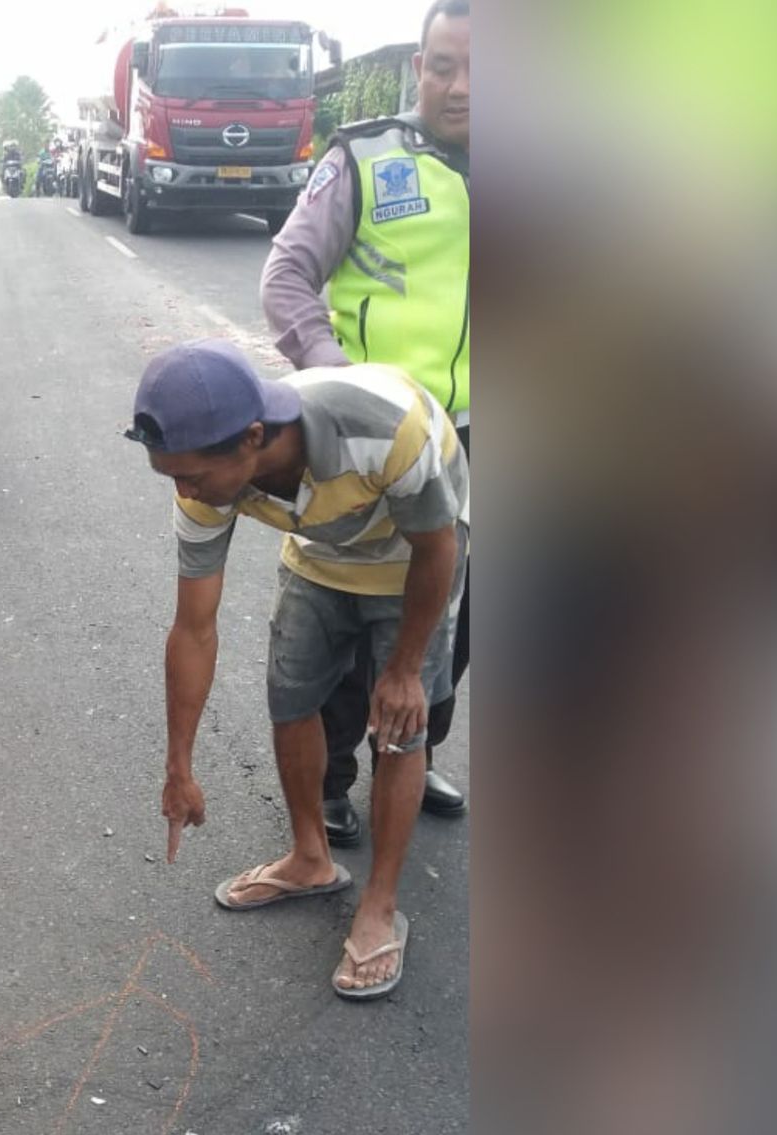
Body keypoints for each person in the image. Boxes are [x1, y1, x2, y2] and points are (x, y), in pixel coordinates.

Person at [129, 340, 467, 999]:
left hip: (414, 558)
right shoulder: (205, 481)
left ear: (253, 438)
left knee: (400, 723)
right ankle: (310, 859)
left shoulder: (384, 428)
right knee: (292, 697)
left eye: (191, 476)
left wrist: (402, 671)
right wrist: (179, 768)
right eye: (170, 476)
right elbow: (194, 627)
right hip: (321, 552)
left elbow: (439, 546)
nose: (184, 492)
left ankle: (379, 905)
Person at [259, 0, 470, 845]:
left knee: (453, 614)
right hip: (379, 442)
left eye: (478, 68)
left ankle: (409, 754)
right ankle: (338, 776)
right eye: (442, 65)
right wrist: (343, 384)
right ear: (417, 66)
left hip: (480, 434)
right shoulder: (366, 157)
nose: (459, 86)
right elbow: (287, 278)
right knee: (357, 606)